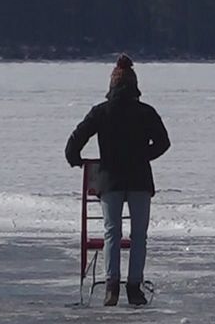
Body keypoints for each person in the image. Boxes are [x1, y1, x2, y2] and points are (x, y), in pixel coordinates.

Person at [65, 54, 170, 306]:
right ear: (134, 85)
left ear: (112, 86)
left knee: (112, 232)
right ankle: (134, 287)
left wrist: (77, 160)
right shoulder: (145, 112)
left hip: (110, 180)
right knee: (139, 236)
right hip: (139, 180)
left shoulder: (101, 112)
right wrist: (144, 155)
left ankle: (111, 287)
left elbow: (75, 141)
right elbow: (163, 142)